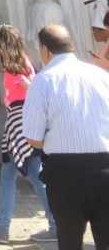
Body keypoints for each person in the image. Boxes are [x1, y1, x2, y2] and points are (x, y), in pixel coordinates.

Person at [23, 24, 109, 250]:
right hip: (106, 168)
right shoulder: (101, 76)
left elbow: (32, 137)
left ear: (44, 49)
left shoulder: (43, 81)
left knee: (70, 239)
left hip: (66, 172)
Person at [0, 25, 56, 244]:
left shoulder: (15, 67)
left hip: (20, 120)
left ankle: (53, 225)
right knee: (12, 174)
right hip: (20, 118)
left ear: (1, 43)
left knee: (34, 174)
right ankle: (4, 227)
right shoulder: (24, 61)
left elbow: (32, 88)